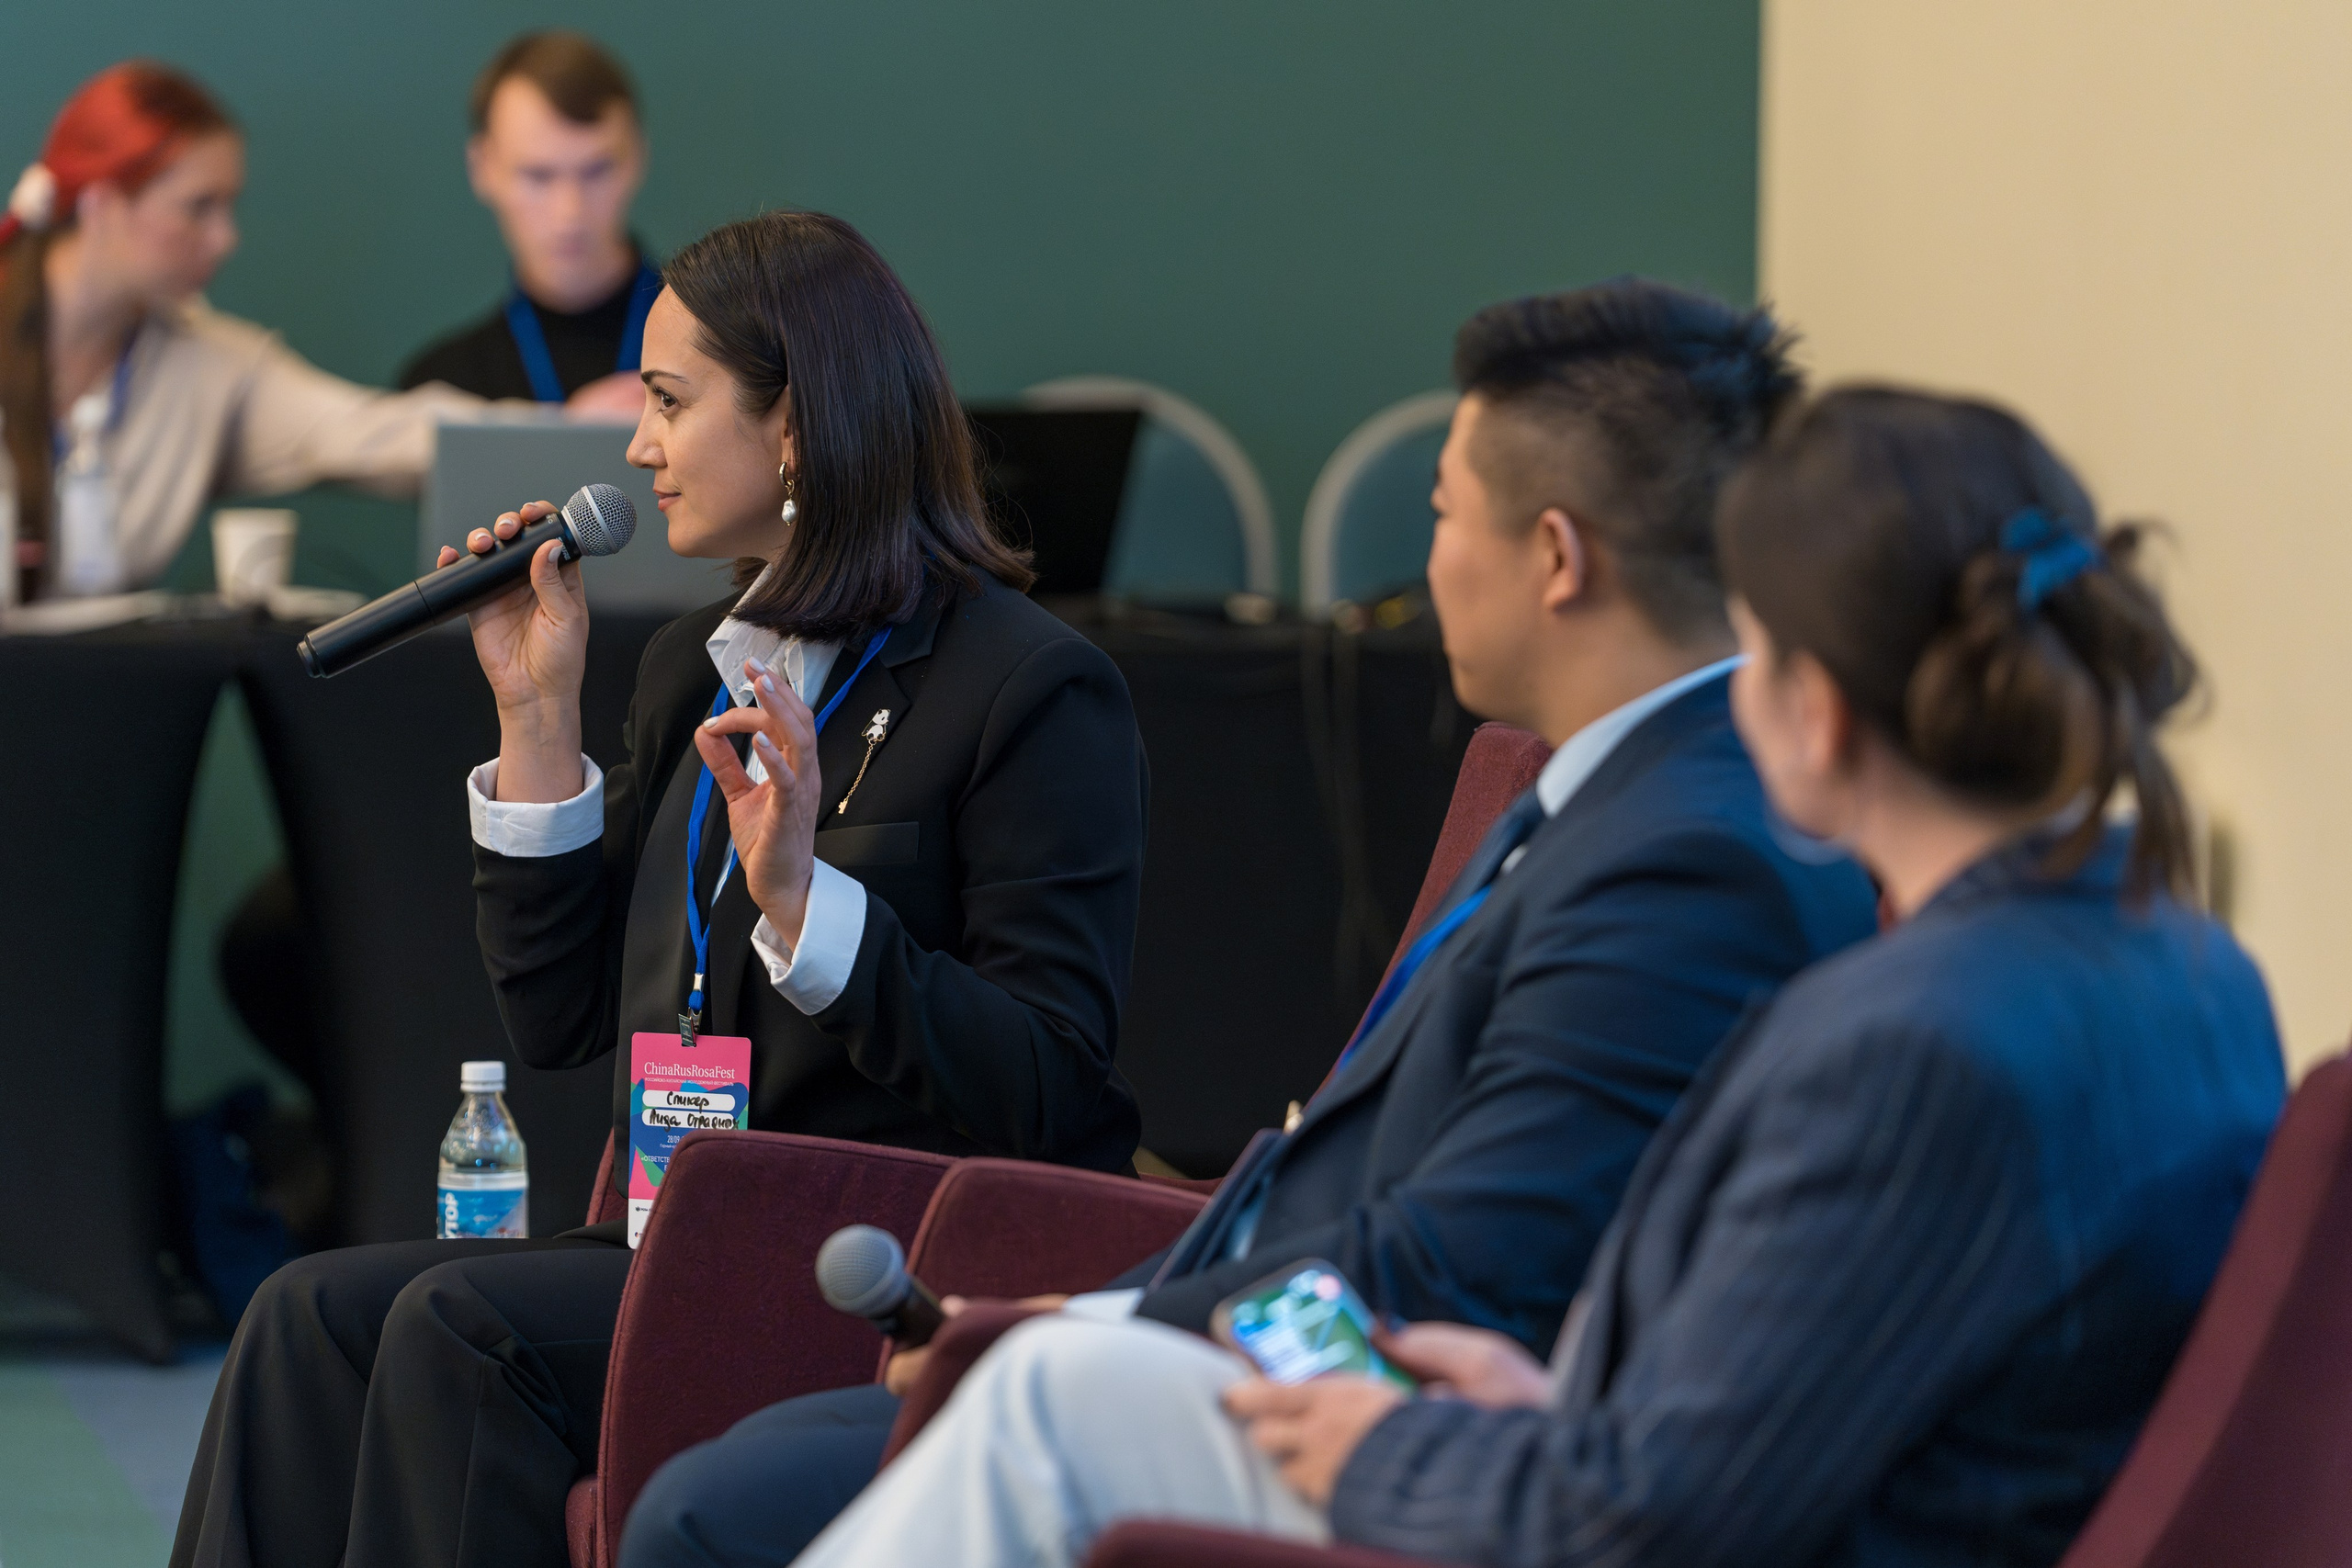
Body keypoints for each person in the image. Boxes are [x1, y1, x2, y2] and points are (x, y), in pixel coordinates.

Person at [789, 386, 2290, 1568]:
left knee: (1048, 1405)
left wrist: (1402, 1451)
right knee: (1067, 1395)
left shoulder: (1914, 1042)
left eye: (1754, 653)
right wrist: (1560, 1407)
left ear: (1820, 711)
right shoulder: (2190, 961)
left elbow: (1658, 1523)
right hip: (1671, 1469)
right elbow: (1837, 1375)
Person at [616, 282, 1883, 1567]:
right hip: (1250, 1322)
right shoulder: (1620, 784)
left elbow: (1461, 1258)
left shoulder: (1689, 855)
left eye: (1443, 515)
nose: (1429, 560)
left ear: (1557, 556)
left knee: (729, 1509)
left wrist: (1090, 1329)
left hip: (1403, 1426)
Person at [170, 209, 1149, 1568]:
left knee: (459, 1323)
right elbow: (559, 1015)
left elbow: (1047, 1082)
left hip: (869, 1250)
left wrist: (808, 906)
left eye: (670, 403)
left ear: (797, 427)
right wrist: (537, 714)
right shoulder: (697, 659)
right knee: (299, 1316)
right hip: (666, 1220)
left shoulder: (1028, 689)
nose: (635, 446)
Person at [0, 61, 489, 608]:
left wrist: (567, 431)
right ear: (102, 204)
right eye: (198, 207)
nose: (225, 239)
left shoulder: (208, 367)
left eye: (229, 207)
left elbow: (381, 436)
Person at [398, 31, 653, 416]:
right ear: (482, 168)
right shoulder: (441, 391)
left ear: (636, 158)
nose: (570, 211)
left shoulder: (729, 355)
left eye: (596, 170)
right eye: (538, 175)